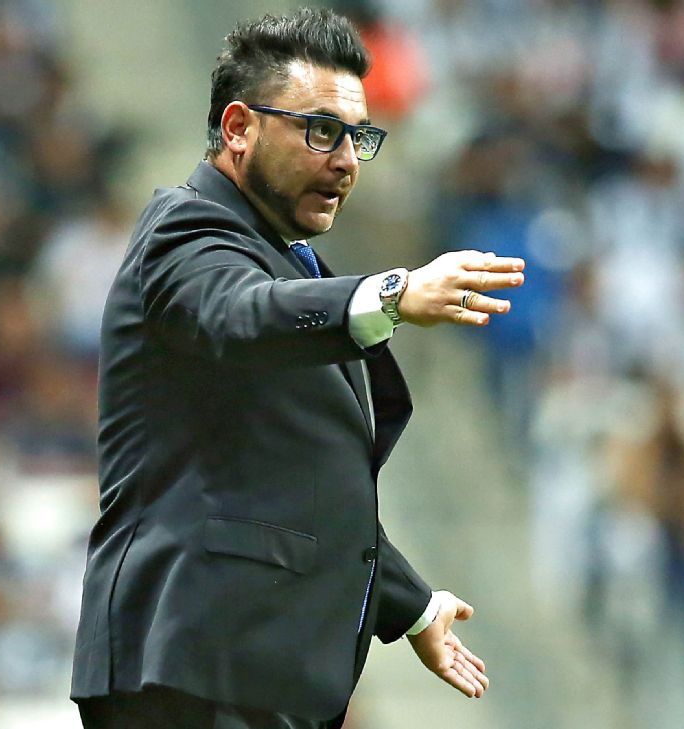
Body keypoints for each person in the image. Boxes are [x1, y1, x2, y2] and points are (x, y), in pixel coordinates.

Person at [70, 8, 524, 729]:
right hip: (190, 666)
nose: (346, 160)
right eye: (320, 131)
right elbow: (239, 313)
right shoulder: (185, 231)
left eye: (357, 137)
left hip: (247, 676)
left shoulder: (286, 265)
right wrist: (394, 294)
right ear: (239, 128)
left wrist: (412, 606)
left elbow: (294, 481)